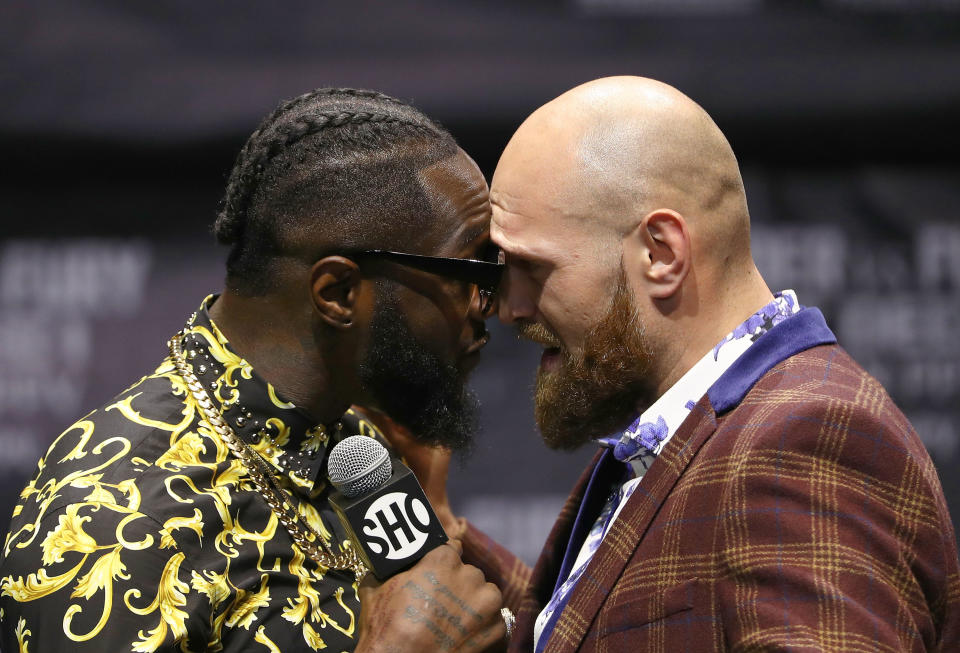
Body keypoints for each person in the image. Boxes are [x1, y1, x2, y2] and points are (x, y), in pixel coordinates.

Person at [0, 88, 510, 652]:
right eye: (469, 272)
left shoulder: (355, 454)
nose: (491, 306)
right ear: (338, 292)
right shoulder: (118, 518)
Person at [485, 76, 960, 651]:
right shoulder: (702, 438)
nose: (510, 308)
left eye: (532, 269)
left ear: (661, 254)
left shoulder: (802, 444)